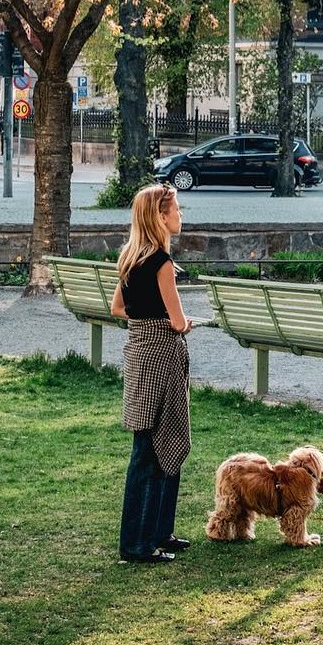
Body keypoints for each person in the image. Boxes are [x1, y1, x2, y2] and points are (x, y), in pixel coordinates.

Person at [110, 183, 194, 565]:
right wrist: (178, 322)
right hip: (161, 356)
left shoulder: (129, 256)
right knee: (151, 448)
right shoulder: (161, 263)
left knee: (154, 443)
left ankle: (160, 532)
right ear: (160, 216)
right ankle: (137, 544)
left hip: (139, 354)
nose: (180, 215)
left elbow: (117, 308)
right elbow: (177, 321)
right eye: (176, 209)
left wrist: (145, 319)